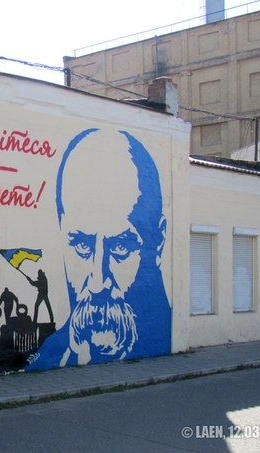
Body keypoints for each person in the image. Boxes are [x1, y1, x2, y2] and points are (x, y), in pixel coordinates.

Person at [26, 128, 171, 371]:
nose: (97, 283)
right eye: (82, 246)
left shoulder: (172, 334)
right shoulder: (46, 357)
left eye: (120, 247)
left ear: (159, 241)